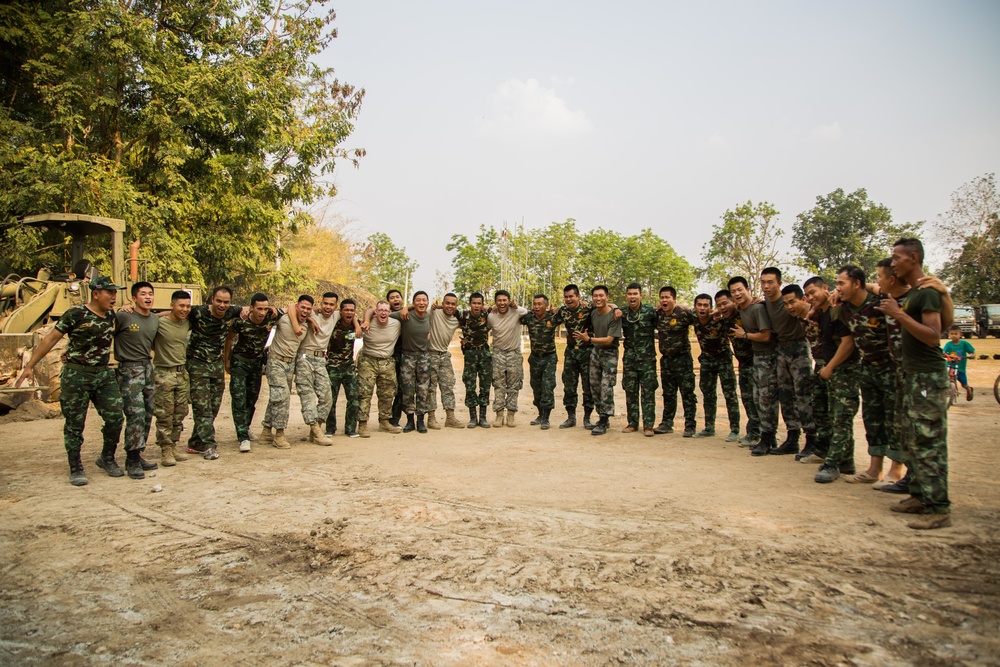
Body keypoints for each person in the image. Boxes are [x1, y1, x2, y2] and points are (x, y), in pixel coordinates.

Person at [16, 276, 125, 486]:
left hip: (103, 375)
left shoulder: (112, 316)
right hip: (77, 375)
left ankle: (107, 458)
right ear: (96, 294)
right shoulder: (75, 314)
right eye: (109, 293)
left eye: (115, 293)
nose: (114, 297)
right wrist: (29, 366)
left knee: (115, 418)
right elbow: (50, 339)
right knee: (75, 424)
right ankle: (75, 466)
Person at [877, 237, 952, 529]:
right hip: (912, 375)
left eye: (897, 257)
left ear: (914, 257)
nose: (893, 262)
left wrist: (898, 315)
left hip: (927, 376)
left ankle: (938, 507)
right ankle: (920, 496)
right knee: (912, 438)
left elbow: (934, 335)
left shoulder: (928, 294)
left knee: (928, 442)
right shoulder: (915, 293)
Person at [781, 281, 861, 483]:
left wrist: (831, 367)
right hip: (823, 366)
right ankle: (835, 456)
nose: (810, 298)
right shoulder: (816, 314)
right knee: (822, 411)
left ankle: (833, 463)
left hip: (840, 367)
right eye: (807, 294)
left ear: (826, 288)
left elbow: (848, 342)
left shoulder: (836, 309)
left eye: (812, 293)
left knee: (840, 416)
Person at [835, 266, 896, 484]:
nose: (838, 288)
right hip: (867, 368)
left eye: (842, 283)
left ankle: (896, 471)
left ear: (857, 284)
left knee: (894, 419)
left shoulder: (880, 302)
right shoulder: (845, 307)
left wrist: (872, 285)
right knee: (873, 419)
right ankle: (874, 470)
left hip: (891, 368)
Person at [184, 286, 244, 460]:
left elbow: (250, 308)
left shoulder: (232, 311)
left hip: (216, 365)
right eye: (219, 301)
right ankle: (209, 445)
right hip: (197, 364)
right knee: (202, 407)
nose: (222, 305)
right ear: (212, 300)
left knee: (213, 406)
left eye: (226, 302)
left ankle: (196, 442)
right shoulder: (197, 312)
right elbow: (173, 313)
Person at [760, 267, 815, 456]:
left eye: (770, 282)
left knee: (804, 393)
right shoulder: (765, 302)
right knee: (785, 395)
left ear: (779, 283)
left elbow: (811, 305)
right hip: (781, 348)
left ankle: (811, 439)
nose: (766, 286)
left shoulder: (793, 299)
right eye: (763, 282)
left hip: (799, 347)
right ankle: (792, 437)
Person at [729, 277, 780, 457]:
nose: (737, 294)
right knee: (758, 398)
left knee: (766, 399)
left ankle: (768, 438)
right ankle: (767, 437)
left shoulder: (757, 308)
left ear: (748, 289)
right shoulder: (742, 308)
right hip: (758, 358)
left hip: (768, 357)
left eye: (739, 290)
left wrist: (745, 335)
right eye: (733, 292)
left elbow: (766, 336)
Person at [113, 281, 160, 478]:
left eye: (150, 294)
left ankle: (138, 452)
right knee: (136, 414)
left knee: (148, 412)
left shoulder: (154, 319)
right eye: (143, 294)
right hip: (129, 369)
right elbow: (105, 329)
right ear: (134, 298)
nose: (148, 297)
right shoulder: (124, 316)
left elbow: (163, 317)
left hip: (147, 368)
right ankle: (131, 459)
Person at [224, 293, 280, 452]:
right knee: (239, 398)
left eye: (265, 308)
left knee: (252, 399)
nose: (262, 312)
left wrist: (274, 308)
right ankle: (242, 437)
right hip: (239, 362)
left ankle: (245, 427)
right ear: (252, 308)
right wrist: (226, 360)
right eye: (259, 309)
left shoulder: (270, 317)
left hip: (256, 363)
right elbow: (229, 339)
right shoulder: (242, 321)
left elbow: (292, 309)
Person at [260, 296, 311, 449]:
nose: (305, 311)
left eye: (308, 309)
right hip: (276, 361)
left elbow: (315, 312)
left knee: (278, 396)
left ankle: (266, 431)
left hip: (290, 364)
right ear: (296, 307)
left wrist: (312, 321)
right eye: (302, 307)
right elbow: (285, 308)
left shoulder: (307, 323)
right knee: (282, 396)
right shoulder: (284, 318)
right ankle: (279, 434)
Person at [692, 293, 740, 441]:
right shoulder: (693, 317)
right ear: (695, 307)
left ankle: (735, 429)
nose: (702, 308)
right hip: (706, 360)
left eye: (706, 305)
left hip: (723, 359)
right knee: (708, 394)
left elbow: (735, 309)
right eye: (699, 305)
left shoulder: (721, 320)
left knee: (730, 394)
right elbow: (680, 308)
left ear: (711, 307)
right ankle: (709, 427)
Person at [152, 291, 192, 466]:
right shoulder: (159, 324)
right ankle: (165, 449)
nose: (184, 309)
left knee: (180, 412)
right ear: (172, 305)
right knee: (164, 413)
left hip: (182, 373)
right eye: (181, 305)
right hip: (164, 373)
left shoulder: (187, 323)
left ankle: (173, 444)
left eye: (187, 306)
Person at [293, 292, 338, 445]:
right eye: (325, 303)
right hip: (304, 357)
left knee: (327, 396)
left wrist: (358, 324)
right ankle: (316, 431)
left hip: (320, 359)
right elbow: (292, 307)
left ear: (335, 307)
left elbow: (359, 314)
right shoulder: (311, 312)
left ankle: (316, 429)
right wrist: (311, 318)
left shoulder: (336, 316)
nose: (328, 307)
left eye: (331, 304)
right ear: (321, 303)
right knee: (307, 395)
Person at [576, 285, 621, 436]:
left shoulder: (615, 315)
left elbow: (609, 340)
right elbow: (579, 305)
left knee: (606, 386)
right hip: (595, 352)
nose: (598, 298)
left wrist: (589, 339)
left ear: (607, 297)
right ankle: (603, 416)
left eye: (601, 295)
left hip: (609, 353)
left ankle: (603, 419)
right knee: (594, 386)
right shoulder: (593, 312)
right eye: (595, 296)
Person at [654, 286, 698, 437]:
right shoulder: (658, 314)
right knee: (668, 394)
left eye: (667, 297)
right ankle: (667, 423)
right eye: (662, 297)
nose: (664, 300)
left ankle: (690, 425)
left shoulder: (683, 313)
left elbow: (701, 316)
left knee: (687, 393)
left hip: (683, 359)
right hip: (666, 360)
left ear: (674, 299)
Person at [720, 282, 760, 447]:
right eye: (719, 305)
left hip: (757, 362)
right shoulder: (725, 321)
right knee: (747, 399)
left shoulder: (748, 312)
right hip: (743, 364)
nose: (722, 307)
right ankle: (754, 432)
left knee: (758, 399)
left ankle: (759, 433)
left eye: (725, 303)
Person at [357, 300, 403, 436]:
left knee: (387, 394)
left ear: (390, 313)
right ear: (376, 312)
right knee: (364, 394)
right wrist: (366, 319)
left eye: (386, 311)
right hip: (368, 361)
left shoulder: (396, 324)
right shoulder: (367, 323)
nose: (383, 313)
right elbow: (365, 314)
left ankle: (384, 422)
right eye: (380, 310)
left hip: (387, 362)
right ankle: (363, 424)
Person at [553, 284, 595, 429]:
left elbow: (608, 305)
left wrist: (615, 309)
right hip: (571, 352)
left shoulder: (588, 307)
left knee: (587, 386)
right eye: (566, 297)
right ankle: (571, 417)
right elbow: (552, 319)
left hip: (587, 352)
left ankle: (587, 418)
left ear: (578, 296)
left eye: (571, 296)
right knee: (569, 386)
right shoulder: (563, 311)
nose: (569, 299)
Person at [619, 283, 658, 436]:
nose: (632, 297)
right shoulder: (622, 312)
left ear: (641, 295)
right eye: (630, 294)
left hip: (647, 359)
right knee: (630, 391)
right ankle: (632, 423)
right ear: (626, 296)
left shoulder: (650, 312)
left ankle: (648, 425)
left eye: (635, 294)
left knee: (648, 392)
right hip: (629, 359)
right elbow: (605, 308)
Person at [488, 290, 529, 427]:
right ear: (495, 302)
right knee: (498, 385)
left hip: (514, 354)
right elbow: (485, 329)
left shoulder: (516, 312)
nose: (502, 303)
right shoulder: (491, 316)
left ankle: (511, 415)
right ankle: (499, 415)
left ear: (509, 301)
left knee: (514, 386)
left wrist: (515, 306)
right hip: (498, 354)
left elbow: (527, 311)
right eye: (499, 300)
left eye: (505, 300)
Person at [521, 294, 559, 429]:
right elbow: (514, 314)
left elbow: (569, 314)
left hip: (549, 357)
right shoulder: (529, 318)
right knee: (536, 387)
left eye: (540, 304)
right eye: (535, 304)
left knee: (548, 387)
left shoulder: (553, 317)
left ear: (546, 305)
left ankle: (546, 418)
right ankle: (540, 414)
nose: (536, 307)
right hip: (535, 358)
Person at [325, 299, 362, 438]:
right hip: (333, 367)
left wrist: (357, 325)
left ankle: (351, 428)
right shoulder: (334, 323)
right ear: (340, 311)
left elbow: (360, 328)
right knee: (331, 399)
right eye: (346, 310)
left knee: (353, 398)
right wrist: (356, 327)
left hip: (348, 367)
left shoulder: (354, 323)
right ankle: (330, 428)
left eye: (352, 310)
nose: (349, 312)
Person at [427, 293, 464, 429]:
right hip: (430, 354)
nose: (450, 306)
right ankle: (431, 418)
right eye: (447, 303)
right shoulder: (434, 312)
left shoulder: (456, 319)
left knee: (448, 386)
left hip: (444, 355)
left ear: (456, 306)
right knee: (430, 388)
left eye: (453, 304)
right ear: (443, 303)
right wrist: (439, 306)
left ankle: (450, 417)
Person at [458, 292, 492, 428]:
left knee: (485, 385)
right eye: (474, 303)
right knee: (470, 385)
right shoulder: (463, 316)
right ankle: (473, 417)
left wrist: (491, 307)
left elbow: (498, 307)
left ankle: (483, 417)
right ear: (469, 304)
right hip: (470, 354)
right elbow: (448, 310)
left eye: (479, 303)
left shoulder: (487, 314)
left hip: (484, 353)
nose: (476, 306)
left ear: (482, 305)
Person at [386, 289, 406, 427]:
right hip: (387, 356)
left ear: (402, 299)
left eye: (397, 297)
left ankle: (394, 419)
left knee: (401, 389)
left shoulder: (407, 315)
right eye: (392, 298)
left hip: (403, 356)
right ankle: (384, 418)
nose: (395, 299)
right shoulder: (384, 315)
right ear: (388, 302)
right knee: (386, 389)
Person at [942, 325, 975, 401]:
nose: (953, 335)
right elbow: (944, 351)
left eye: (955, 334)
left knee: (964, 384)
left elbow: (972, 351)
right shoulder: (948, 344)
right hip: (950, 365)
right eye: (951, 334)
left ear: (960, 334)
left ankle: (969, 389)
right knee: (945, 377)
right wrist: (943, 354)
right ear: (949, 334)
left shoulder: (964, 343)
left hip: (960, 367)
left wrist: (972, 355)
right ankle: (949, 390)